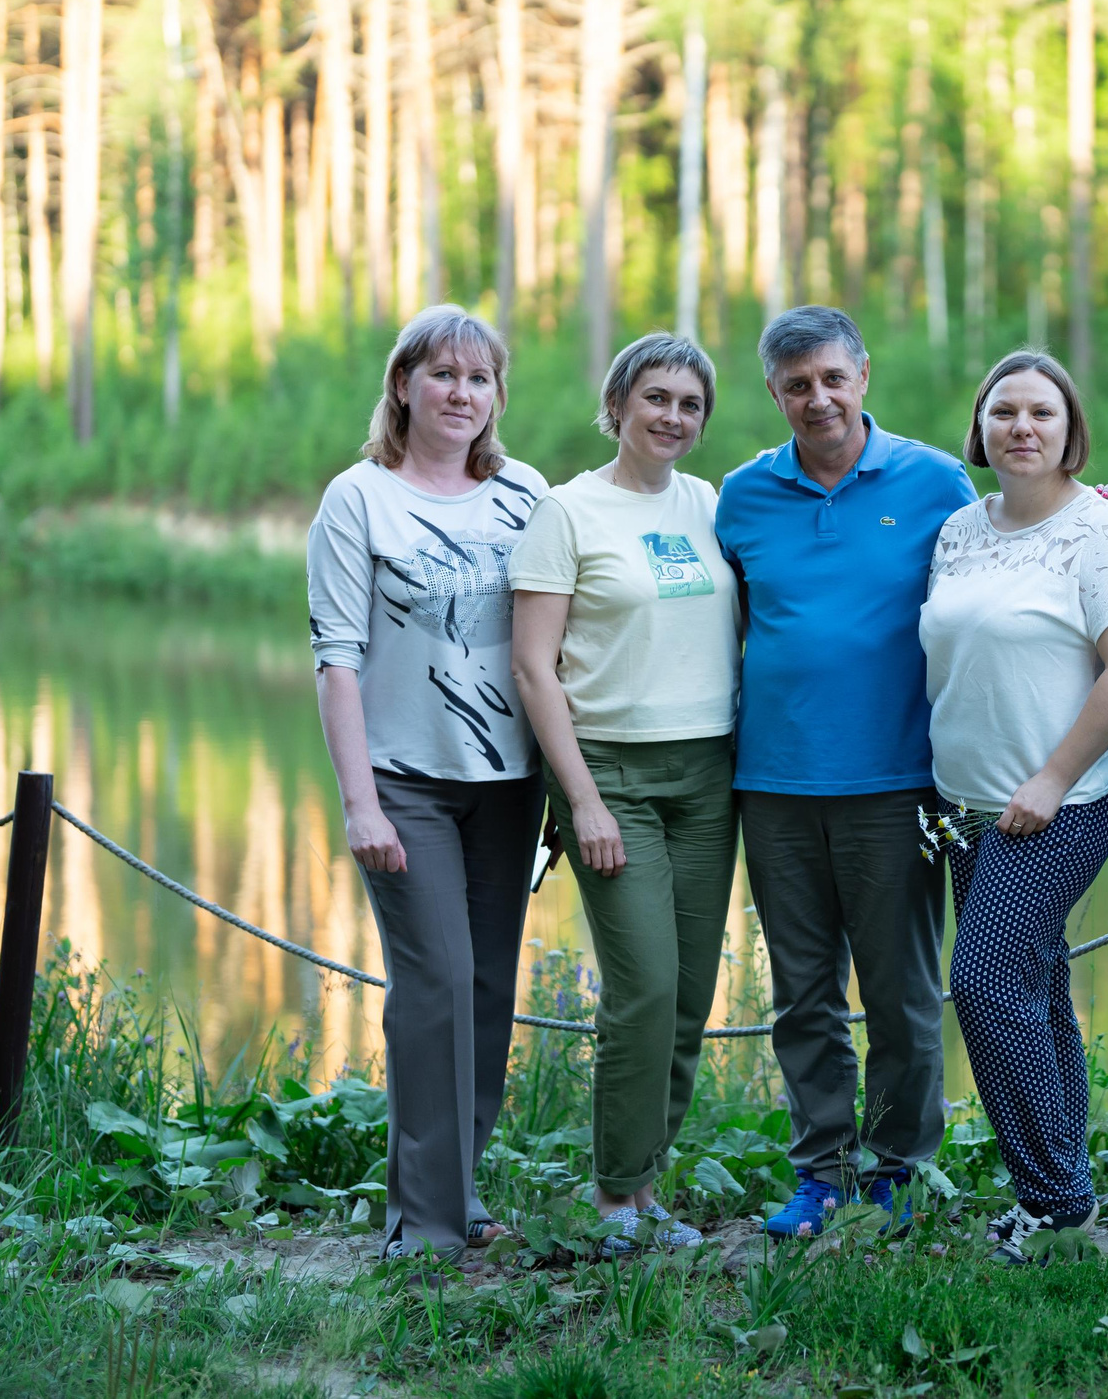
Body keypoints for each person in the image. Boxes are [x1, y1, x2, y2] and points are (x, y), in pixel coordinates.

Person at [716, 308, 976, 1237]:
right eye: (796, 384)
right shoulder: (742, 496)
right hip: (774, 784)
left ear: (862, 374)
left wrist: (1098, 510)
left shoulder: (936, 479)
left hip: (896, 781)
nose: (817, 397)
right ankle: (821, 1171)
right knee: (803, 994)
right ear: (775, 393)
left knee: (901, 992)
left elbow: (1011, 567)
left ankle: (898, 1169)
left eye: (832, 377)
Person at [306, 304, 550, 1262]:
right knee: (435, 981)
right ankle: (428, 1222)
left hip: (509, 783)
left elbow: (560, 641)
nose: (460, 392)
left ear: (497, 396)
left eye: (479, 378)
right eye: (442, 374)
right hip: (404, 780)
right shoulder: (358, 498)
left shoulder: (525, 494)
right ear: (403, 383)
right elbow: (337, 658)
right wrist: (359, 799)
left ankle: (458, 1189)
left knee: (487, 987)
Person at [920, 350, 1108, 1265]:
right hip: (965, 805)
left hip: (1057, 803)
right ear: (980, 428)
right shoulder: (958, 529)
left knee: (982, 980)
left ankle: (1053, 1202)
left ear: (1071, 432)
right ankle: (1066, 1195)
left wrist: (1053, 776)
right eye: (1004, 411)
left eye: (1042, 414)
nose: (1022, 427)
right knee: (1033, 980)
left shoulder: (1101, 532)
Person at [509, 332, 740, 1256]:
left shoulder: (710, 503)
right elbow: (533, 668)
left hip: (709, 773)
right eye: (656, 398)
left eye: (690, 404)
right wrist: (584, 801)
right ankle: (613, 1199)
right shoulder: (565, 512)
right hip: (611, 775)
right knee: (642, 988)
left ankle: (648, 1191)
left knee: (689, 995)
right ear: (618, 405)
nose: (672, 417)